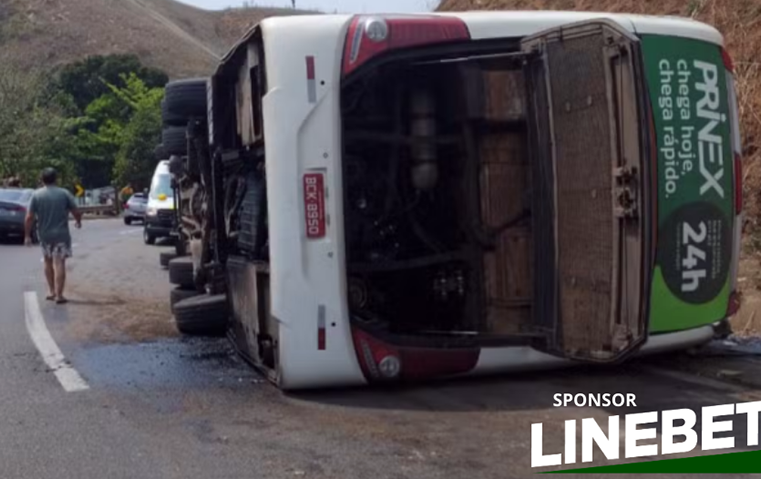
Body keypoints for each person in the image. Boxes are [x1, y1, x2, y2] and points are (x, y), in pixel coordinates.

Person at [24, 168, 82, 304]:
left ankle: (51, 291)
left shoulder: (36, 195)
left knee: (47, 261)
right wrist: (78, 221)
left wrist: (27, 235)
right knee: (59, 262)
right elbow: (76, 211)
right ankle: (59, 295)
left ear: (42, 179)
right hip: (61, 234)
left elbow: (29, 217)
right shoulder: (64, 193)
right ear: (56, 179)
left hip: (44, 235)